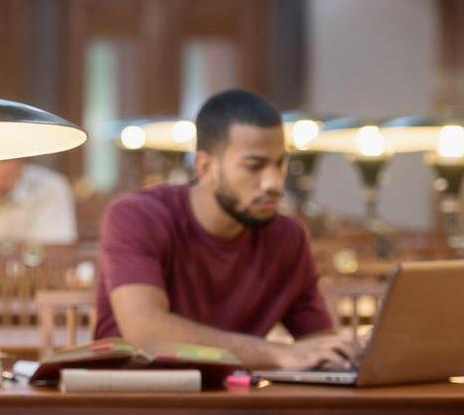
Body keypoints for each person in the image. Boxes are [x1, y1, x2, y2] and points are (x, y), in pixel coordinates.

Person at [93, 89, 357, 370]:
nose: (274, 183)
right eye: (254, 166)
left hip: (233, 394)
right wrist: (278, 354)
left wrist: (351, 353)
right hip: (136, 391)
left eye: (280, 164)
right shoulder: (137, 216)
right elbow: (146, 334)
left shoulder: (288, 238)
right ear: (206, 166)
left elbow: (317, 344)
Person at [0, 159, 77, 246]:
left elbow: (55, 248)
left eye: (6, 160)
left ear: (23, 160)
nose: (0, 170)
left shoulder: (50, 188)